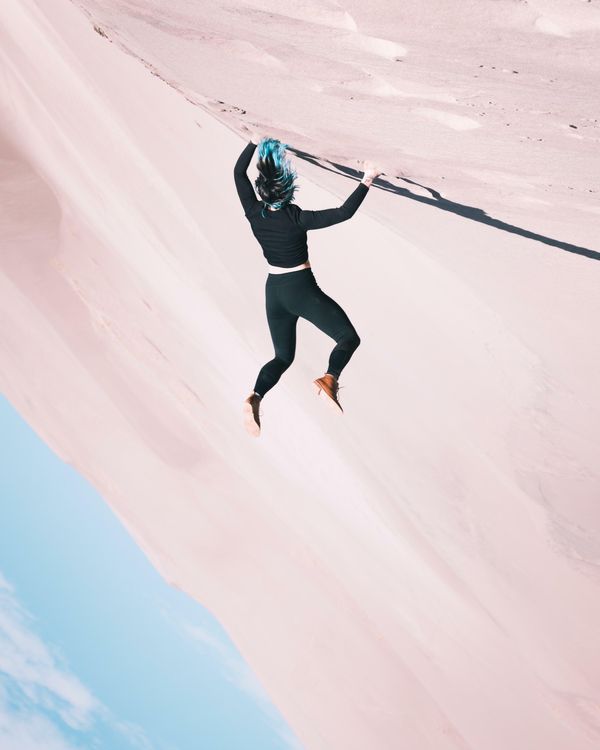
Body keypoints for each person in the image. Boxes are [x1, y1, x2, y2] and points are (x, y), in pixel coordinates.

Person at [234, 131, 383, 437]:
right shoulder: (296, 217)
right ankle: (329, 378)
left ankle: (256, 395)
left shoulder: (253, 213)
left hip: (274, 291)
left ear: (262, 190)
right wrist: (368, 177)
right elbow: (344, 213)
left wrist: (252, 141)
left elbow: (239, 173)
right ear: (287, 188)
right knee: (347, 338)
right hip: (300, 288)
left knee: (282, 357)